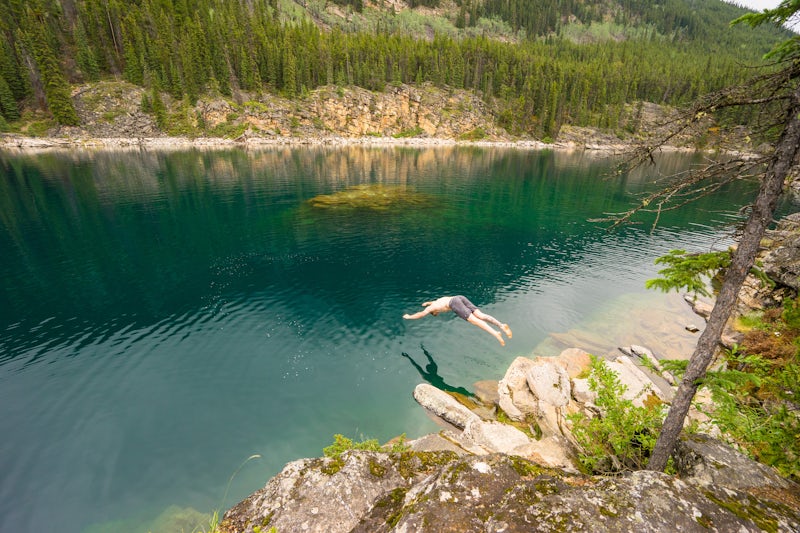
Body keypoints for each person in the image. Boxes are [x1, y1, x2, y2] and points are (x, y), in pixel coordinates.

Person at [403, 295, 512, 346]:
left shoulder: (431, 308)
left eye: (435, 314)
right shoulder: (436, 302)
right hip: (459, 297)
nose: (437, 314)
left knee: (474, 320)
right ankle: (501, 325)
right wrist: (426, 302)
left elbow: (421, 314)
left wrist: (409, 316)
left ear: (434, 312)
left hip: (454, 303)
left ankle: (496, 333)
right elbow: (430, 302)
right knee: (481, 315)